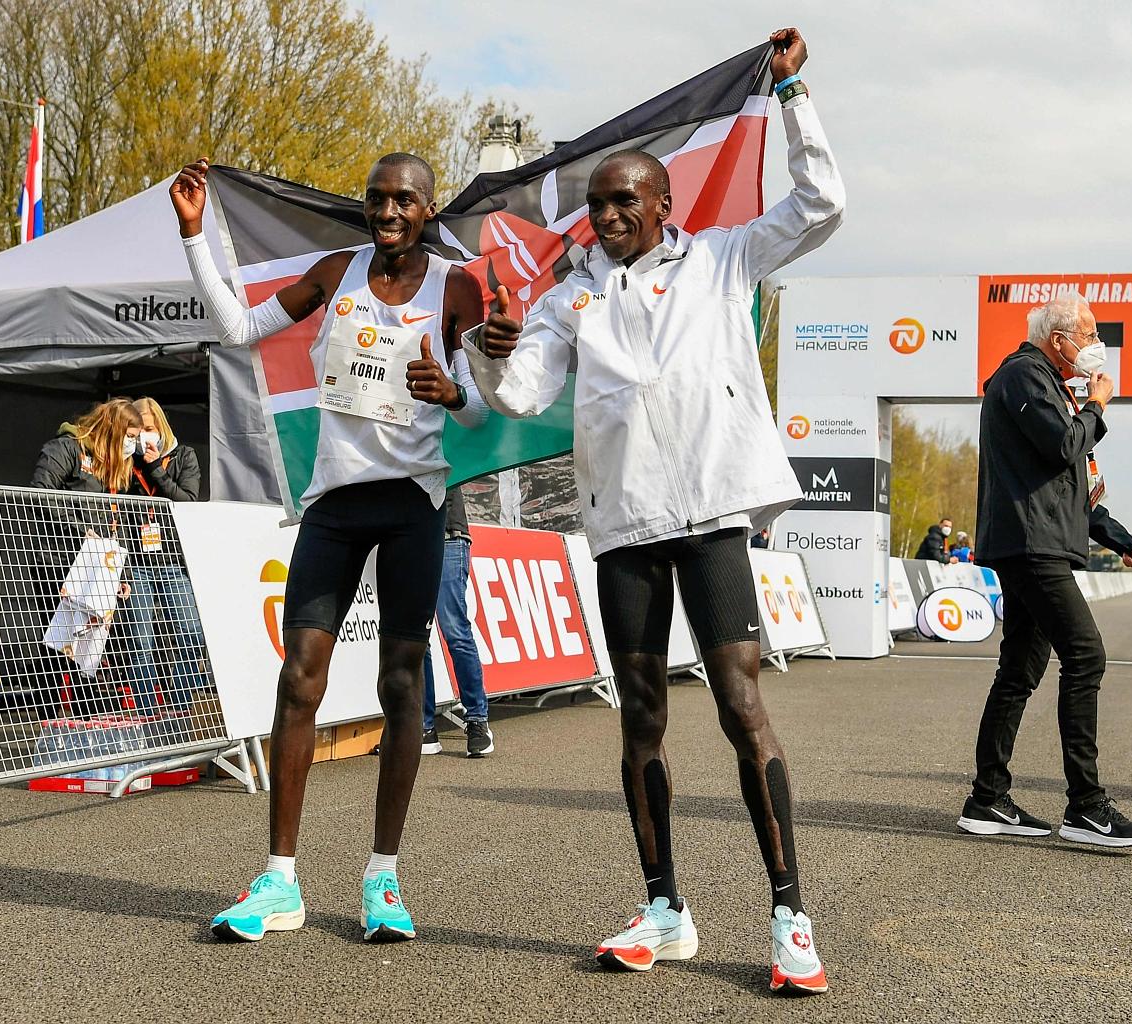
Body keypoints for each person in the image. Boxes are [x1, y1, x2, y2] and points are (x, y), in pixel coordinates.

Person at [467, 27, 842, 994]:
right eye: (595, 206)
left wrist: (794, 99)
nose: (605, 217)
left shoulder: (723, 259)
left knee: (740, 708)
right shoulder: (567, 299)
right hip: (624, 526)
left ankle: (791, 915)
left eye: (623, 200)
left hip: (712, 515)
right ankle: (664, 908)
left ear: (664, 204)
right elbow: (516, 397)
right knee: (639, 720)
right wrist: (490, 345)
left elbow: (822, 204)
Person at [170, 151, 489, 943]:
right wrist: (194, 235)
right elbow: (241, 328)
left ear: (426, 208)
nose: (387, 211)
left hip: (416, 504)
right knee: (299, 677)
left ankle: (383, 877)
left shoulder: (457, 285)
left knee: (401, 684)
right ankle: (280, 882)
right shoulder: (334, 270)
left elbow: (488, 410)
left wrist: (453, 393)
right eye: (377, 199)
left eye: (404, 201)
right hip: (335, 505)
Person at [959, 289, 1132, 848]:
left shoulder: (1053, 386)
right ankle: (1087, 807)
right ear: (1059, 338)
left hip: (1041, 539)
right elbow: (1064, 446)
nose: (1097, 345)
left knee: (1019, 671)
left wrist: (1119, 539)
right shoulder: (1022, 374)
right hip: (1029, 545)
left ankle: (987, 799)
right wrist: (1096, 406)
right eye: (1090, 334)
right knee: (1085, 653)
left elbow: (1072, 485)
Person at [30, 398, 141, 713]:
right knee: (58, 640)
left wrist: (124, 575)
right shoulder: (67, 448)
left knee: (94, 640)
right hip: (59, 561)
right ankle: (49, 717)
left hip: (100, 568)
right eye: (128, 436)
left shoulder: (111, 467)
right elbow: (40, 491)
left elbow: (114, 523)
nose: (131, 444)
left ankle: (87, 718)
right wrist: (80, 531)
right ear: (112, 429)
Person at [119, 397, 206, 719]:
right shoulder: (128, 460)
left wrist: (156, 469)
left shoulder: (184, 456)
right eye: (139, 431)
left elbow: (187, 500)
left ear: (161, 428)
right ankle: (146, 711)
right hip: (136, 564)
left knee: (189, 632)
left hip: (172, 561)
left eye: (150, 430)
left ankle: (180, 705)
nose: (144, 437)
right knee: (140, 639)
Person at [421, 486, 492, 757]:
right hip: (411, 537)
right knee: (416, 637)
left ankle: (477, 719)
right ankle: (424, 727)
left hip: (449, 534)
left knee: (455, 631)